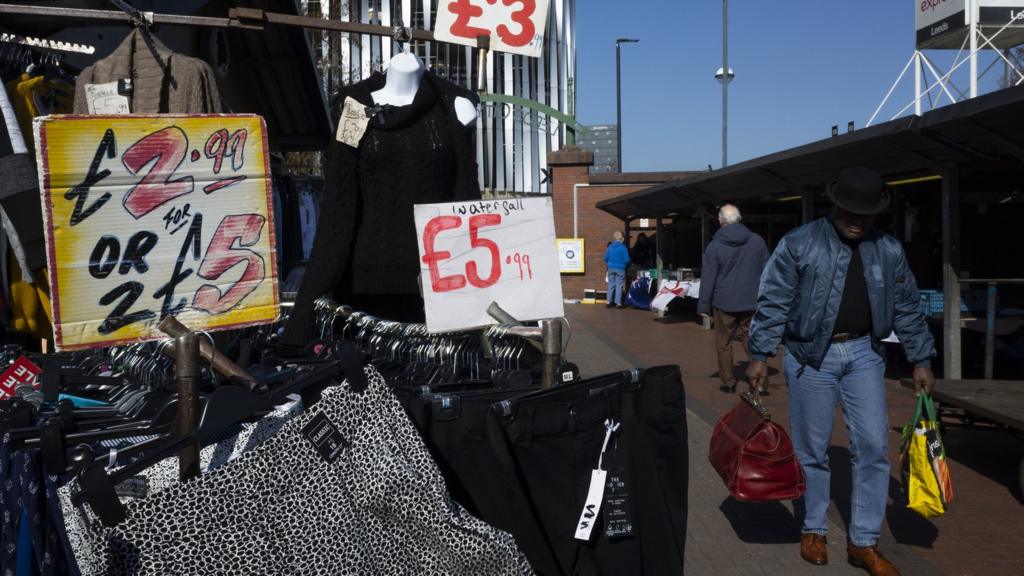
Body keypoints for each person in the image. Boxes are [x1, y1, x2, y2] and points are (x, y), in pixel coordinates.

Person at [746, 166, 935, 576]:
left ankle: (863, 543)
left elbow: (906, 305)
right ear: (835, 206)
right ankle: (813, 529)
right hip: (810, 356)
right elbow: (773, 299)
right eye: (849, 211)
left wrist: (921, 358)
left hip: (865, 353)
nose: (856, 220)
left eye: (865, 214)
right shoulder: (800, 243)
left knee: (872, 445)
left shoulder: (888, 249)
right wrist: (760, 353)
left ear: (876, 215)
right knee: (811, 450)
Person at [697, 204, 769, 394]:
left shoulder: (715, 245)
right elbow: (768, 271)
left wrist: (703, 304)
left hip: (724, 301)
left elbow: (709, 277)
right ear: (739, 218)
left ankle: (728, 382)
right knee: (750, 338)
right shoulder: (757, 241)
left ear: (721, 221)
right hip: (751, 300)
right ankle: (758, 380)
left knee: (723, 342)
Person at [603, 231, 630, 308]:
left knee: (610, 285)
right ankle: (618, 303)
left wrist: (610, 263)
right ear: (622, 238)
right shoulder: (623, 247)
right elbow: (626, 259)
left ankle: (608, 302)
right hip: (620, 268)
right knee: (619, 285)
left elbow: (605, 258)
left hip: (611, 268)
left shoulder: (610, 247)